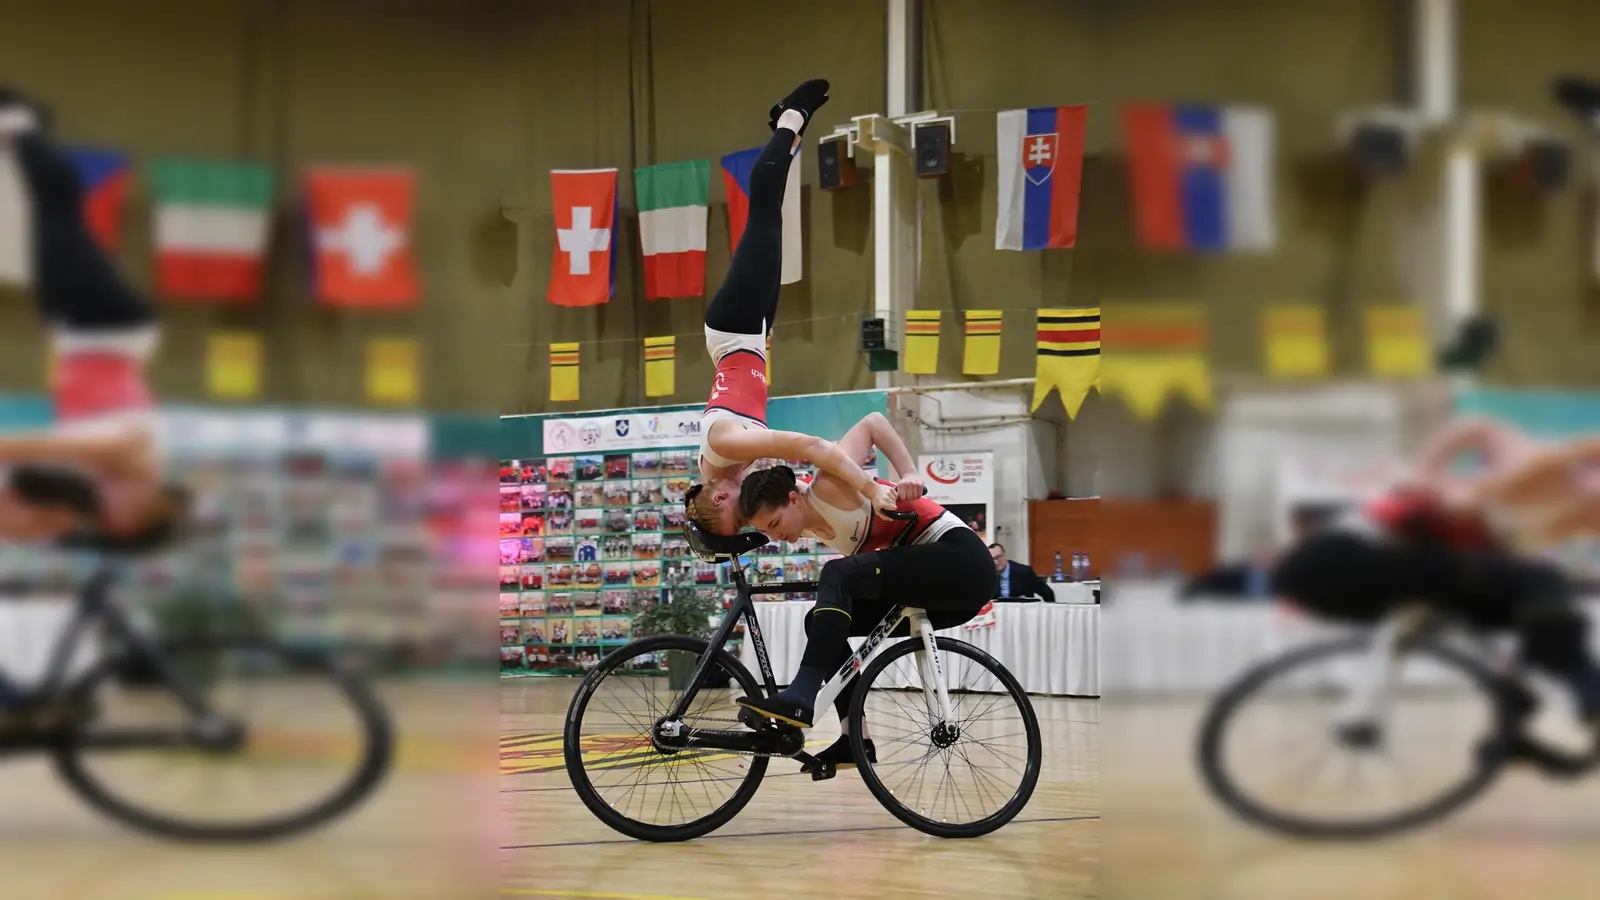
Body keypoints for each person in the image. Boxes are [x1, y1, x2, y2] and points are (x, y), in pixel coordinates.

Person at [1271, 417, 1600, 754]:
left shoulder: (1569, 522)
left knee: (1527, 612)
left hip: (1369, 580)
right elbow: (1476, 428)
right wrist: (1426, 472)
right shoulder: (1539, 463)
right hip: (1338, 560)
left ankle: (1504, 725)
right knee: (1543, 583)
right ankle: (1586, 695)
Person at [683, 78, 896, 536]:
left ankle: (791, 118)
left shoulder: (723, 449)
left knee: (765, 210)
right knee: (770, 215)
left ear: (720, 496)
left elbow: (810, 444)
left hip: (734, 330)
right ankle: (790, 126)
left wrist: (872, 488)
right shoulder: (726, 471)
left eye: (736, 518)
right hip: (751, 337)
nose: (748, 520)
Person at [734, 412, 996, 772]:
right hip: (931, 586)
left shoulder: (829, 485)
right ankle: (854, 738)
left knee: (837, 573)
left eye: (776, 524)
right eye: (769, 531)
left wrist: (909, 473)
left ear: (794, 499)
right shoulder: (808, 528)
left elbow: (873, 423)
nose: (776, 537)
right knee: (821, 622)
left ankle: (802, 693)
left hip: (962, 562)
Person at [0, 88, 188, 547]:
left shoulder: (102, 476)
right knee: (58, 212)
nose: (101, 511)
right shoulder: (136, 452)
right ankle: (21, 123)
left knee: (50, 216)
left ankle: (23, 133)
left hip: (74, 334)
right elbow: (42, 445)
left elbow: (30, 479)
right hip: (110, 327)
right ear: (144, 507)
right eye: (113, 517)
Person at [989, 542, 1054, 600]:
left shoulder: (1024, 572)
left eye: (999, 557)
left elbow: (1047, 593)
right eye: (992, 559)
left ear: (1006, 555)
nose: (995, 562)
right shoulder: (988, 576)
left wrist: (1049, 610)